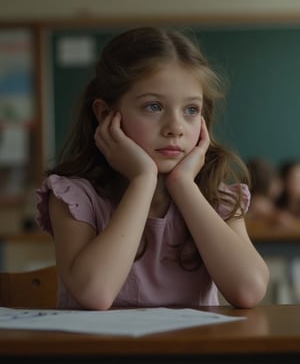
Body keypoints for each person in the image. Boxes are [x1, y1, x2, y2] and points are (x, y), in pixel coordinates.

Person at [36, 27, 269, 310]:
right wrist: (143, 180)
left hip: (193, 353)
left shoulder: (216, 199)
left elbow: (249, 289)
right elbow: (94, 293)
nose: (176, 128)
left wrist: (183, 185)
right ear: (105, 114)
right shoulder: (74, 196)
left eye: (191, 110)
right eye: (154, 106)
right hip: (101, 354)